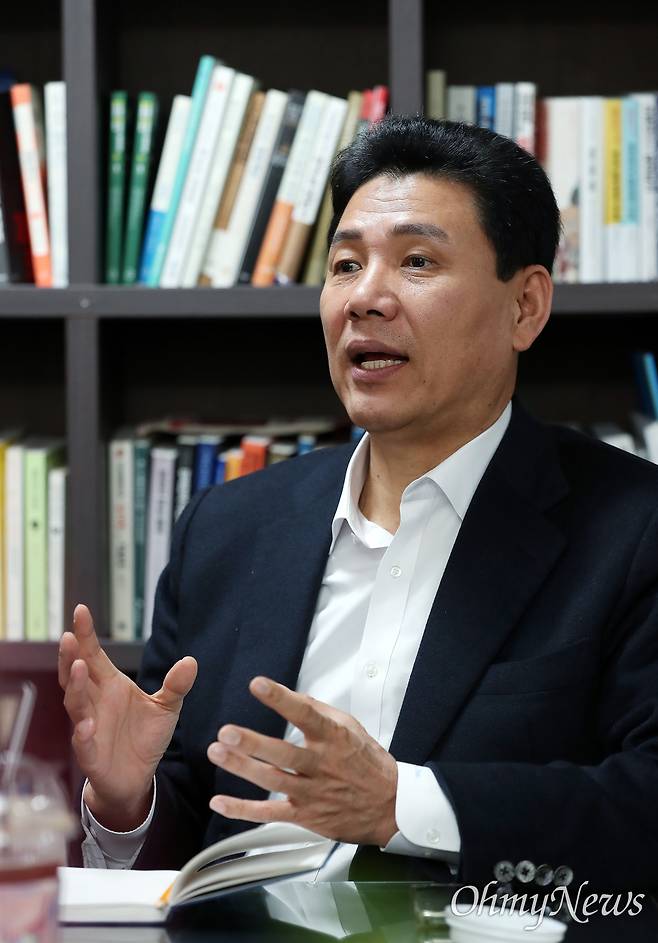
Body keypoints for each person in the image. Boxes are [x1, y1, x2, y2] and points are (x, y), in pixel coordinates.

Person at [59, 115, 658, 892]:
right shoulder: (227, 528)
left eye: (417, 261)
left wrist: (400, 803)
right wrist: (126, 799)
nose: (366, 298)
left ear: (525, 306)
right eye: (345, 264)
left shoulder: (632, 529)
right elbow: (199, 828)